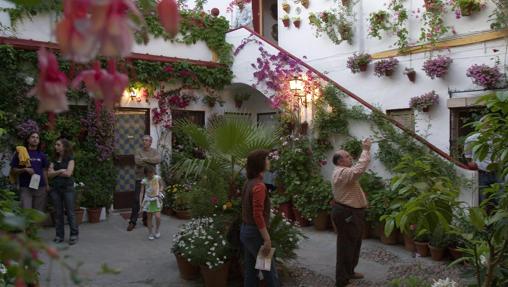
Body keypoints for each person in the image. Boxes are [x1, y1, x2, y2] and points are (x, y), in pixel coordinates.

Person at [331, 138, 372, 287]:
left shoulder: (344, 171)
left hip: (352, 213)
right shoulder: (341, 173)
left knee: (354, 244)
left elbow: (357, 169)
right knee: (346, 247)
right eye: (347, 156)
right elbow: (359, 169)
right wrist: (366, 149)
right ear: (340, 161)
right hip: (347, 213)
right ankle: (342, 281)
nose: (351, 158)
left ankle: (350, 272)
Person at [240, 150, 280, 287]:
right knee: (269, 271)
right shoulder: (259, 186)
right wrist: (267, 238)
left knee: (251, 271)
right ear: (260, 163)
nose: (269, 161)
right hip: (255, 234)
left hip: (246, 231)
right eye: (266, 159)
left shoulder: (248, 182)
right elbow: (258, 215)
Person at [48, 138, 79, 245]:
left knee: (70, 212)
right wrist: (61, 170)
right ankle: (59, 235)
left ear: (64, 147)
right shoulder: (53, 159)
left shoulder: (70, 159)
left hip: (68, 189)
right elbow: (49, 174)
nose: (55, 146)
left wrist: (55, 173)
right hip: (55, 190)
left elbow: (68, 173)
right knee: (58, 213)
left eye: (58, 145)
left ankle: (74, 235)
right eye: (55, 144)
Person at [127, 135, 161, 231]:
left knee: (149, 199)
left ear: (150, 142)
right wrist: (150, 161)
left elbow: (158, 160)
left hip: (151, 180)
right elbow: (138, 162)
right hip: (140, 178)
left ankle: (145, 220)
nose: (144, 142)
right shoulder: (138, 151)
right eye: (143, 140)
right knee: (137, 200)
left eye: (146, 140)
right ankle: (132, 222)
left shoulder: (154, 151)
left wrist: (145, 159)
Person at [10, 132, 49, 211]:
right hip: (25, 187)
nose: (35, 139)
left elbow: (44, 171)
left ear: (39, 141)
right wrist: (24, 169)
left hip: (40, 187)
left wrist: (47, 185)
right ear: (28, 139)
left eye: (37, 138)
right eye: (33, 137)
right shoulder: (21, 153)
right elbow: (13, 170)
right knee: (26, 213)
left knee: (38, 214)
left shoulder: (42, 155)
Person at [464, 133, 501, 204]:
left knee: (500, 199)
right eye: (483, 121)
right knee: (481, 200)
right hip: (481, 173)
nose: (487, 124)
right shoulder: (471, 139)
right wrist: (473, 165)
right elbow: (468, 156)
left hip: (497, 172)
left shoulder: (499, 138)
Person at [140, 165, 164, 240]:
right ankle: (150, 233)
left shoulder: (157, 178)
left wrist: (160, 190)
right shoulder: (144, 181)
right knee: (149, 218)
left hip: (156, 200)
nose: (151, 175)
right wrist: (140, 202)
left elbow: (162, 185)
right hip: (148, 201)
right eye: (149, 173)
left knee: (158, 217)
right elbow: (141, 192)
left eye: (152, 173)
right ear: (146, 174)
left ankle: (157, 230)